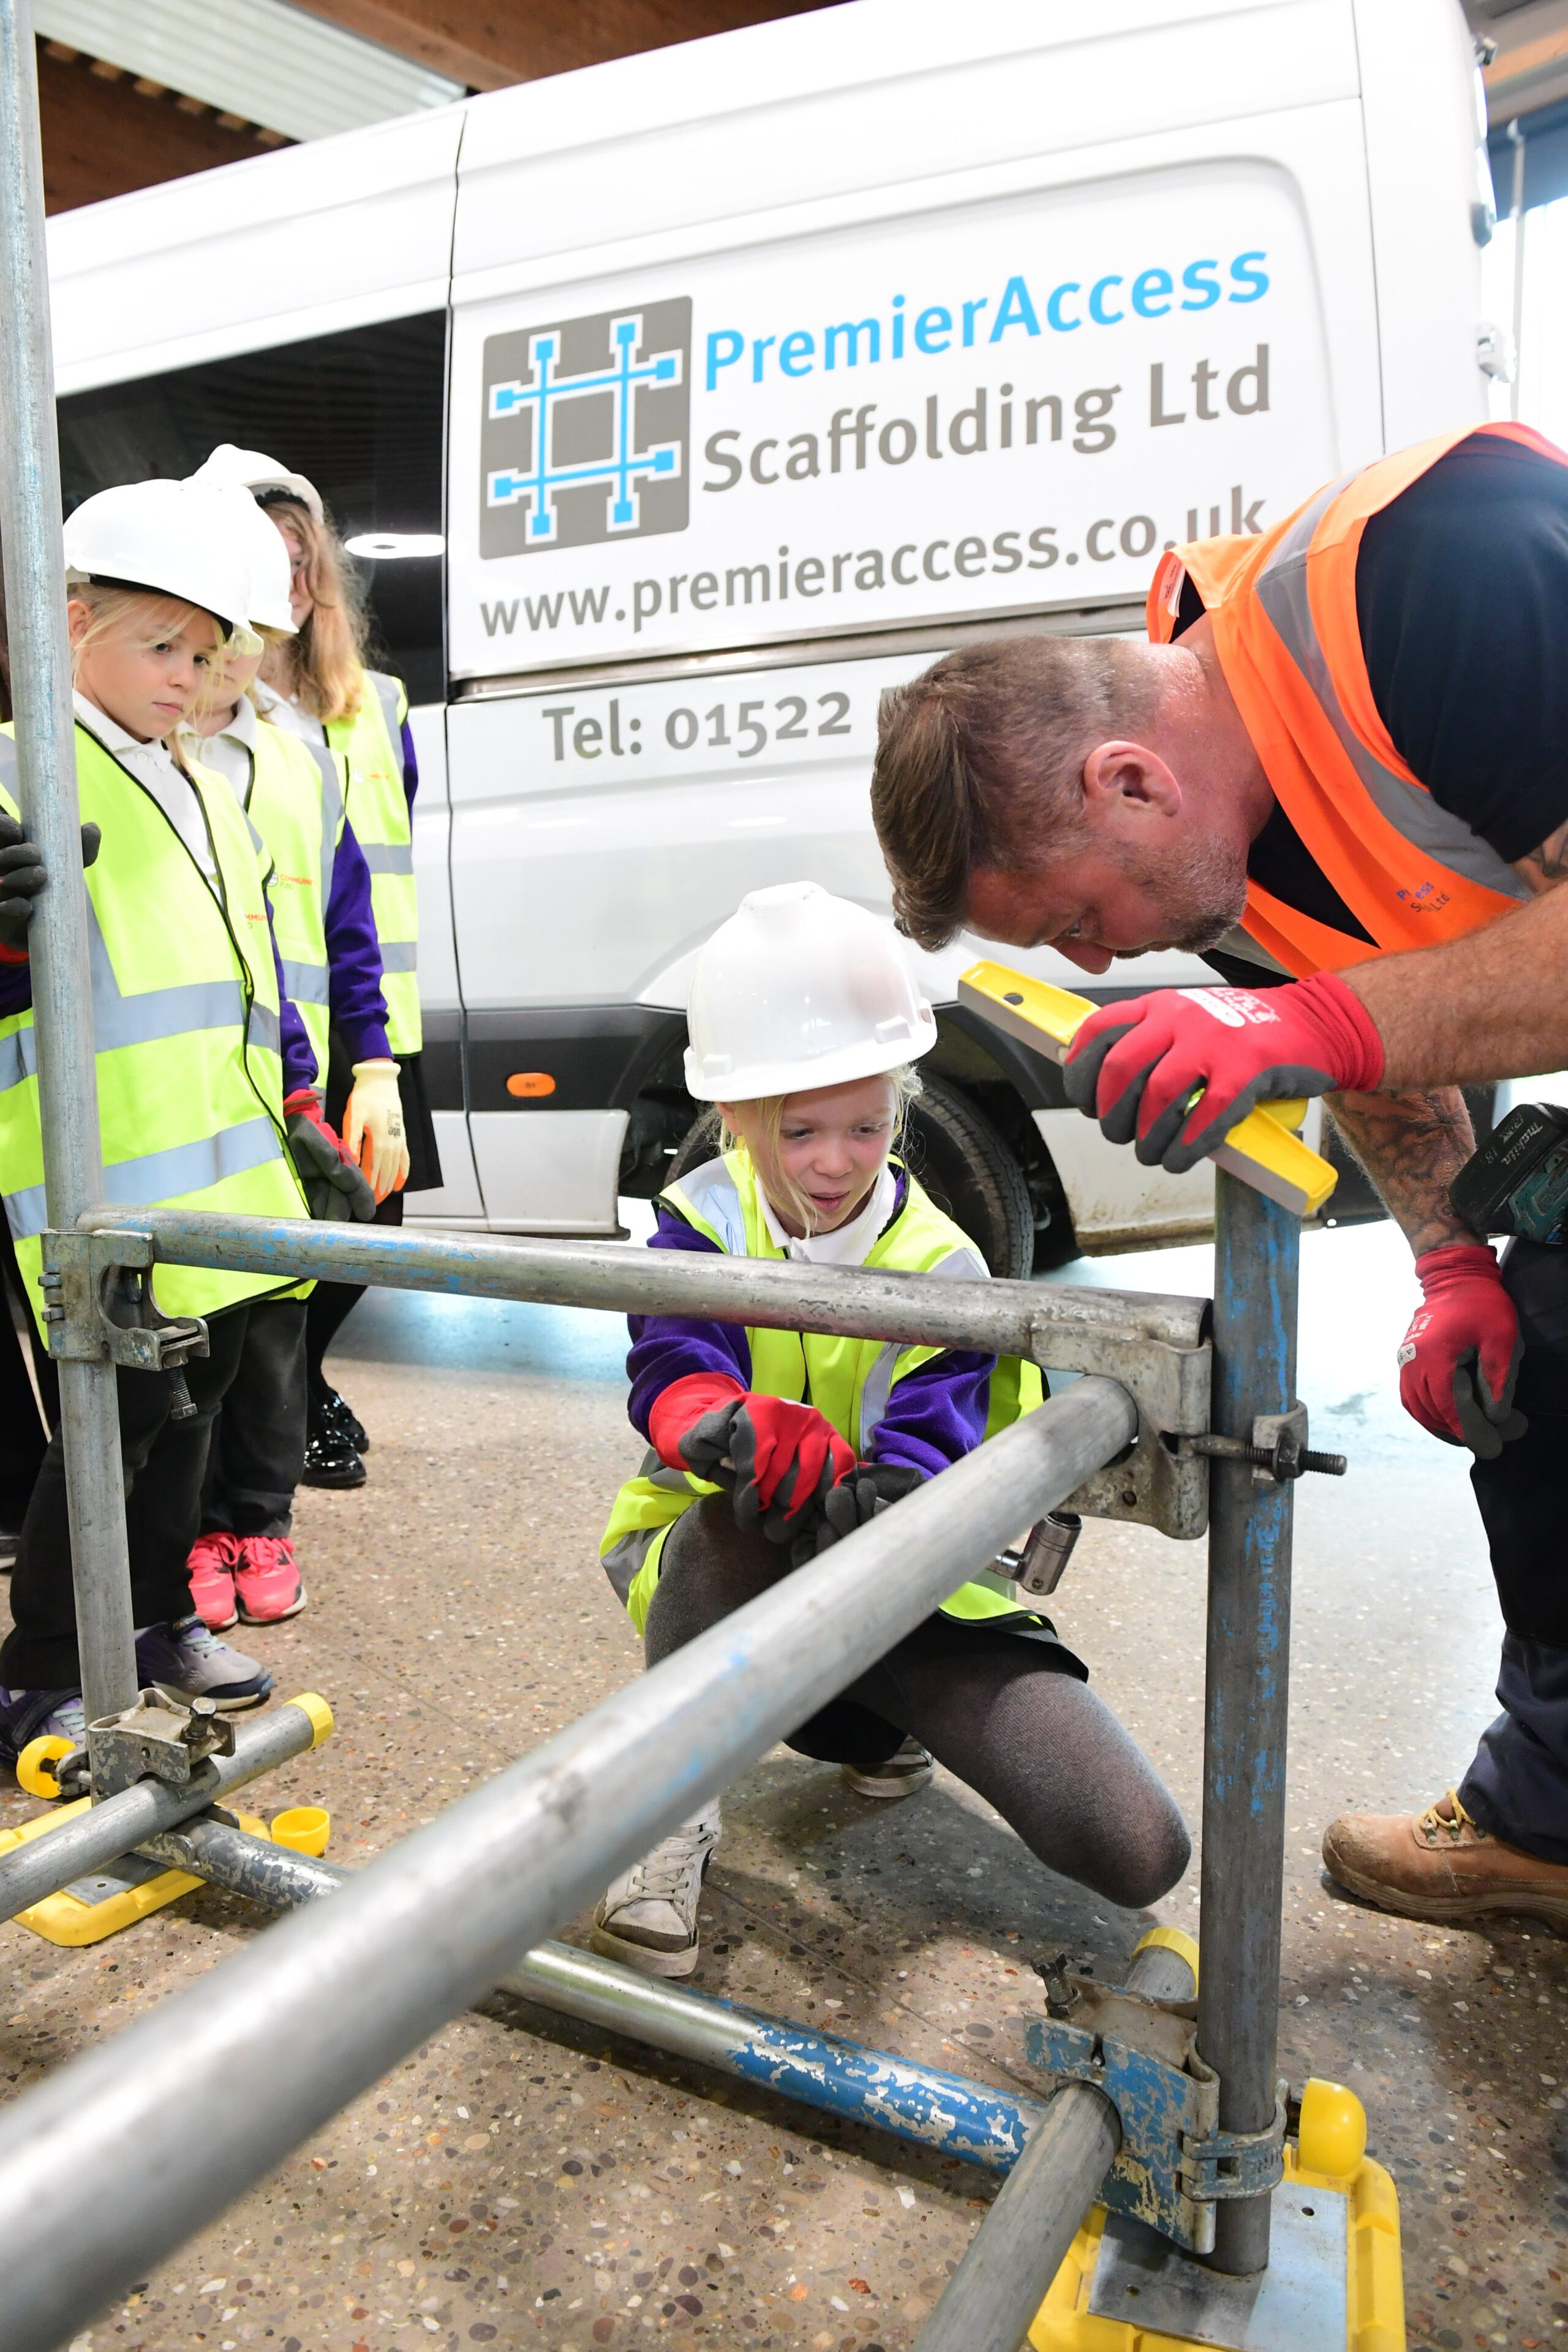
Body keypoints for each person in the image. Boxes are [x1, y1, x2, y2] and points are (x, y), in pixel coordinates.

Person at [869, 418, 1568, 1931]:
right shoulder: (1215, 844)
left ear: (1126, 781)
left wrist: (1303, 1025)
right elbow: (1365, 1037)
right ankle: (1549, 1816)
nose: (1093, 961)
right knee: (1544, 1376)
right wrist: (1450, 1261)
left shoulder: (1434, 574)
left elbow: (1332, 1017)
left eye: (1074, 919)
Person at [592, 881, 1189, 1977]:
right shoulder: (699, 1223)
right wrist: (724, 1424)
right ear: (737, 1118)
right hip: (734, 1588)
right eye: (800, 1130)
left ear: (899, 1106)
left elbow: (936, 1426)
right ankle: (666, 1805)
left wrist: (900, 1496)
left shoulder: (942, 1264)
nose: (836, 1160)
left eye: (865, 1125)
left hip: (898, 1595)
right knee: (735, 1521)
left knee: (1137, 1847)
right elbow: (673, 1361)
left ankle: (886, 1724)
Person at [0, 478, 372, 1765]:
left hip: (220, 1182)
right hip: (97, 1180)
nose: (188, 677)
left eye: (206, 653)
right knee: (109, 1429)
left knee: (193, 1415)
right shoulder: (20, 773)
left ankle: (156, 1620)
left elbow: (245, 977)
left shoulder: (200, 782)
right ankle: (44, 1668)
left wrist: (300, 1111)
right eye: (161, 645)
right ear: (70, 621)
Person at [179, 469, 405, 1633]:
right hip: (176, 1097)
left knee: (273, 1326)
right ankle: (188, 1533)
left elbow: (345, 924)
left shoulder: (297, 754)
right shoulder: (140, 750)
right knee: (189, 1335)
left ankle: (256, 1521)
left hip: (287, 1090)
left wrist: (375, 1068)